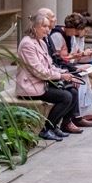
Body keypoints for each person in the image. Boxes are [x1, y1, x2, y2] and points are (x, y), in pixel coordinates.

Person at [15, 13, 79, 141]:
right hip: (31, 86)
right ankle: (45, 129)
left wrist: (68, 74)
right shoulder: (27, 44)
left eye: (48, 27)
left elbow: (49, 65)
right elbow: (39, 71)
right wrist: (61, 76)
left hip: (42, 82)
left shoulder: (41, 42)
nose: (47, 30)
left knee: (73, 91)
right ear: (34, 27)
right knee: (65, 97)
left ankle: (55, 126)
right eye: (44, 26)